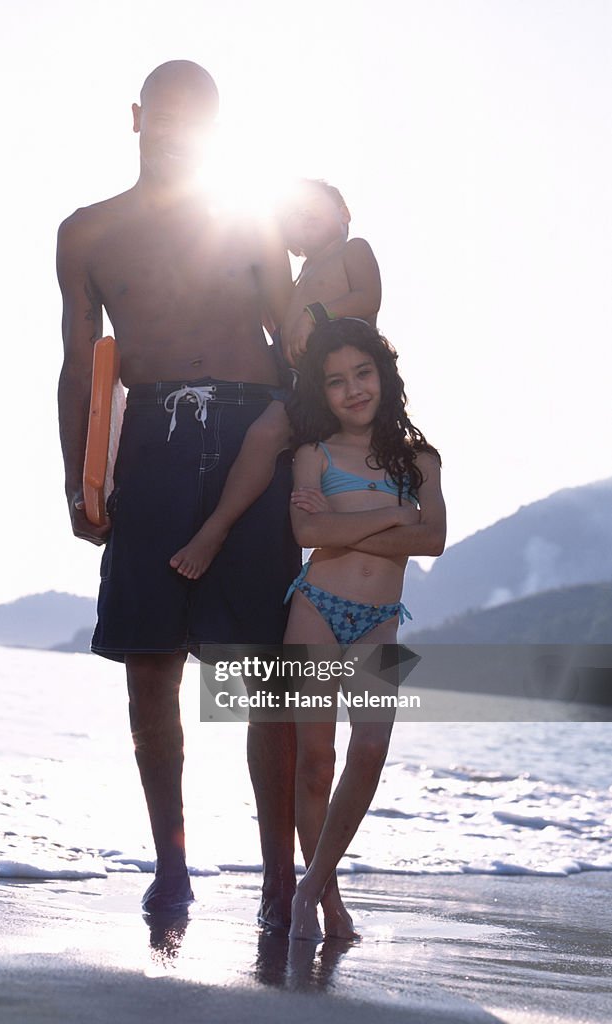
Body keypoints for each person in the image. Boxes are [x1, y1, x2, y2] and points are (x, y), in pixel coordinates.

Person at [56, 61, 301, 921]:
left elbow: (297, 339)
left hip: (252, 431)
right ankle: (173, 866)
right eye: (162, 116)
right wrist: (75, 478)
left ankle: (279, 879)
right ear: (135, 117)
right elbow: (79, 363)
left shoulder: (249, 221)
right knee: (150, 664)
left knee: (263, 668)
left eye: (194, 121)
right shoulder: (87, 233)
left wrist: (322, 455)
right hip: (152, 439)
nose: (174, 132)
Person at [283, 315, 446, 941]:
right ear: (320, 393)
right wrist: (393, 514)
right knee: (315, 759)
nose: (353, 390)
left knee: (371, 748)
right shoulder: (313, 456)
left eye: (362, 373)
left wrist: (352, 520)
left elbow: (431, 538)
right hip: (316, 606)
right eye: (335, 382)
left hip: (381, 620)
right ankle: (325, 902)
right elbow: (307, 535)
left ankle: (310, 881)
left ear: (384, 376)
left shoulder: (420, 459)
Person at [170, 178, 382, 580]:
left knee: (265, 435)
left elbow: (368, 297)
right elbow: (283, 327)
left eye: (312, 209)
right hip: (303, 384)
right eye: (293, 216)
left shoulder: (352, 250)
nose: (302, 218)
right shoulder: (302, 273)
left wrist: (316, 314)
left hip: (342, 379)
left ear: (344, 214)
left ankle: (215, 529)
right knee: (268, 444)